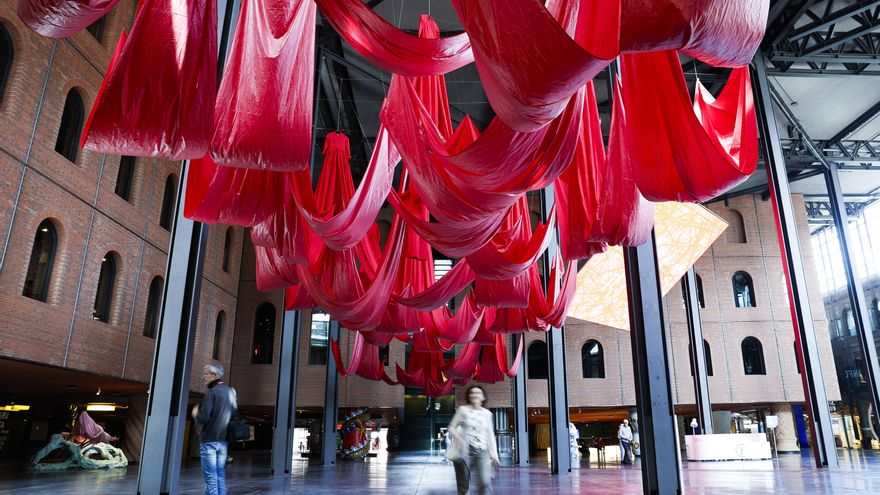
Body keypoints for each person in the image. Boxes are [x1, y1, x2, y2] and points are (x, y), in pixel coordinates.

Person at [192, 364, 237, 495]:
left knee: (210, 477)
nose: (204, 376)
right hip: (223, 442)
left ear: (215, 375)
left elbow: (203, 418)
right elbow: (234, 414)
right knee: (220, 477)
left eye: (206, 374)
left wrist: (196, 414)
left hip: (209, 441)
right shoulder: (229, 392)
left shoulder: (211, 393)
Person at [448, 385, 500, 495]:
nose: (474, 395)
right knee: (464, 485)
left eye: (478, 393)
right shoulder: (463, 410)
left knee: (485, 483)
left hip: (482, 451)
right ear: (469, 396)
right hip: (464, 452)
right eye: (472, 393)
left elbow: (490, 435)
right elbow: (451, 427)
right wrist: (459, 439)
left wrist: (494, 455)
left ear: (483, 397)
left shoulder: (487, 414)